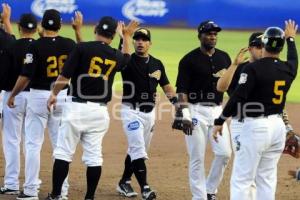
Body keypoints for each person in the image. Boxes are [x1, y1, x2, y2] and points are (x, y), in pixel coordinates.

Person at [45, 17, 139, 200]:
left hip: (76, 109)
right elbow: (127, 58)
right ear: (113, 35)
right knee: (94, 157)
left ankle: (56, 196)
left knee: (63, 153)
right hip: (99, 112)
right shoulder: (115, 55)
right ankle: (89, 197)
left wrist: (54, 94)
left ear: (95, 29)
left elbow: (64, 76)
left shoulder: (81, 48)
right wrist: (126, 36)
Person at [213, 20, 298, 200]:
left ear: (265, 43)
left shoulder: (253, 68)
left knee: (241, 179)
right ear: (281, 47)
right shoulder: (289, 68)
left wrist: (220, 121)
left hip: (255, 127)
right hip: (277, 127)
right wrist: (291, 39)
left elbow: (237, 97)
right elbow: (293, 58)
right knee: (267, 178)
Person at [7, 9, 76, 199]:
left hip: (38, 98)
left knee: (32, 145)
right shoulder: (69, 44)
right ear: (60, 25)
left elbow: (25, 76)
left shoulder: (35, 46)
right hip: (62, 97)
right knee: (61, 147)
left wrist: (13, 95)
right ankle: (61, 192)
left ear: (42, 25)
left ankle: (30, 190)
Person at [116, 27, 177, 200]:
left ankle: (124, 182)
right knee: (138, 150)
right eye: (137, 39)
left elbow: (166, 86)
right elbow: (121, 57)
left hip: (149, 114)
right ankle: (145, 189)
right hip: (130, 112)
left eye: (144, 39)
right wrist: (124, 38)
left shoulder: (157, 63)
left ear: (150, 43)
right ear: (134, 41)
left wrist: (177, 105)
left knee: (137, 150)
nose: (140, 42)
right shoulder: (127, 61)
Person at [175, 20, 232, 200]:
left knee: (224, 153)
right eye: (208, 33)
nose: (212, 37)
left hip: (217, 111)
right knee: (197, 157)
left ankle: (209, 190)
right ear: (200, 35)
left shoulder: (224, 58)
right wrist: (184, 115)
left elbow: (230, 87)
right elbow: (181, 90)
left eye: (215, 34)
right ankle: (199, 197)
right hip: (195, 111)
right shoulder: (188, 60)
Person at [0, 13, 37, 195]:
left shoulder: (10, 46)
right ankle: (33, 182)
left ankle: (12, 183)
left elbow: (3, 75)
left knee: (12, 141)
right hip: (36, 98)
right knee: (32, 143)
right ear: (36, 29)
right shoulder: (40, 47)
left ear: (20, 27)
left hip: (12, 97)